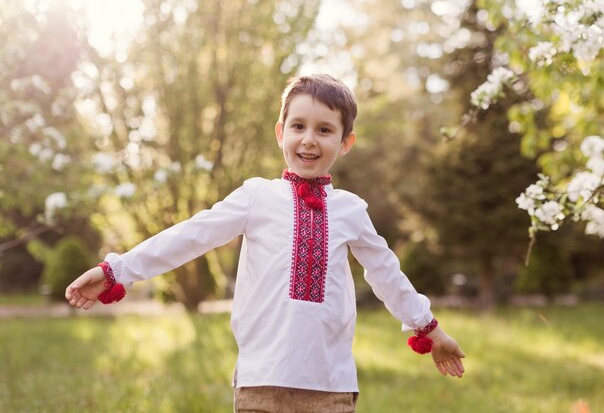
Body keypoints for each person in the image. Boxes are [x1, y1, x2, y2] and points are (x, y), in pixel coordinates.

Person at [66, 74, 465, 412]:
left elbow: (387, 274)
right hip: (262, 381)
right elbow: (191, 234)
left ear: (345, 142)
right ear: (281, 133)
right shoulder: (256, 196)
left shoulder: (350, 210)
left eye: (324, 130)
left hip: (331, 385)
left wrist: (430, 330)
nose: (309, 139)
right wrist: (116, 270)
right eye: (298, 126)